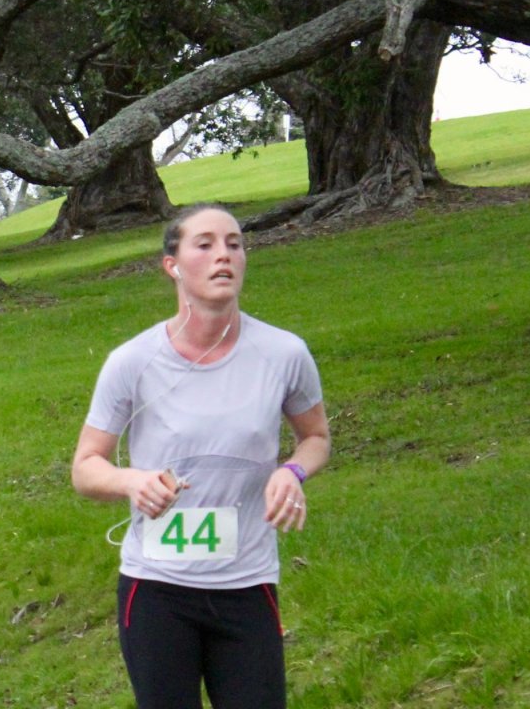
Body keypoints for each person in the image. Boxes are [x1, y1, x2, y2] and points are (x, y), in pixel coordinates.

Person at [71, 203, 332, 709]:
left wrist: (292, 471)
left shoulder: (283, 353)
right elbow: (86, 467)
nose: (224, 256)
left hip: (247, 582)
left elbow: (316, 437)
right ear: (172, 265)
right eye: (205, 245)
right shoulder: (133, 361)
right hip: (157, 588)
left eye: (234, 244)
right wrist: (132, 482)